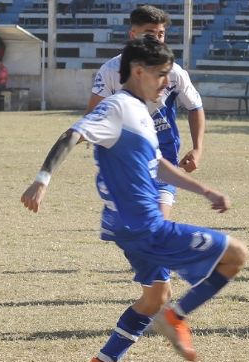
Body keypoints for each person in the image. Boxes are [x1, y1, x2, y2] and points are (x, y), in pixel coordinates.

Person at [20, 36, 248, 362]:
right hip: (146, 228)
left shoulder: (141, 112)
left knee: (155, 295)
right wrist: (42, 179)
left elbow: (158, 165)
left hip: (126, 227)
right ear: (139, 71)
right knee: (236, 256)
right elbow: (72, 135)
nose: (166, 83)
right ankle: (176, 318)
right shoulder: (117, 108)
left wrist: (204, 190)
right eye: (161, 75)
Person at [86, 4, 206, 221]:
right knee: (137, 227)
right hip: (126, 160)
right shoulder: (111, 70)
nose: (157, 39)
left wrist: (197, 148)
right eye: (150, 33)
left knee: (159, 222)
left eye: (161, 34)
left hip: (165, 157)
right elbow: (93, 114)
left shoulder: (175, 72)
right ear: (133, 35)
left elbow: (195, 107)